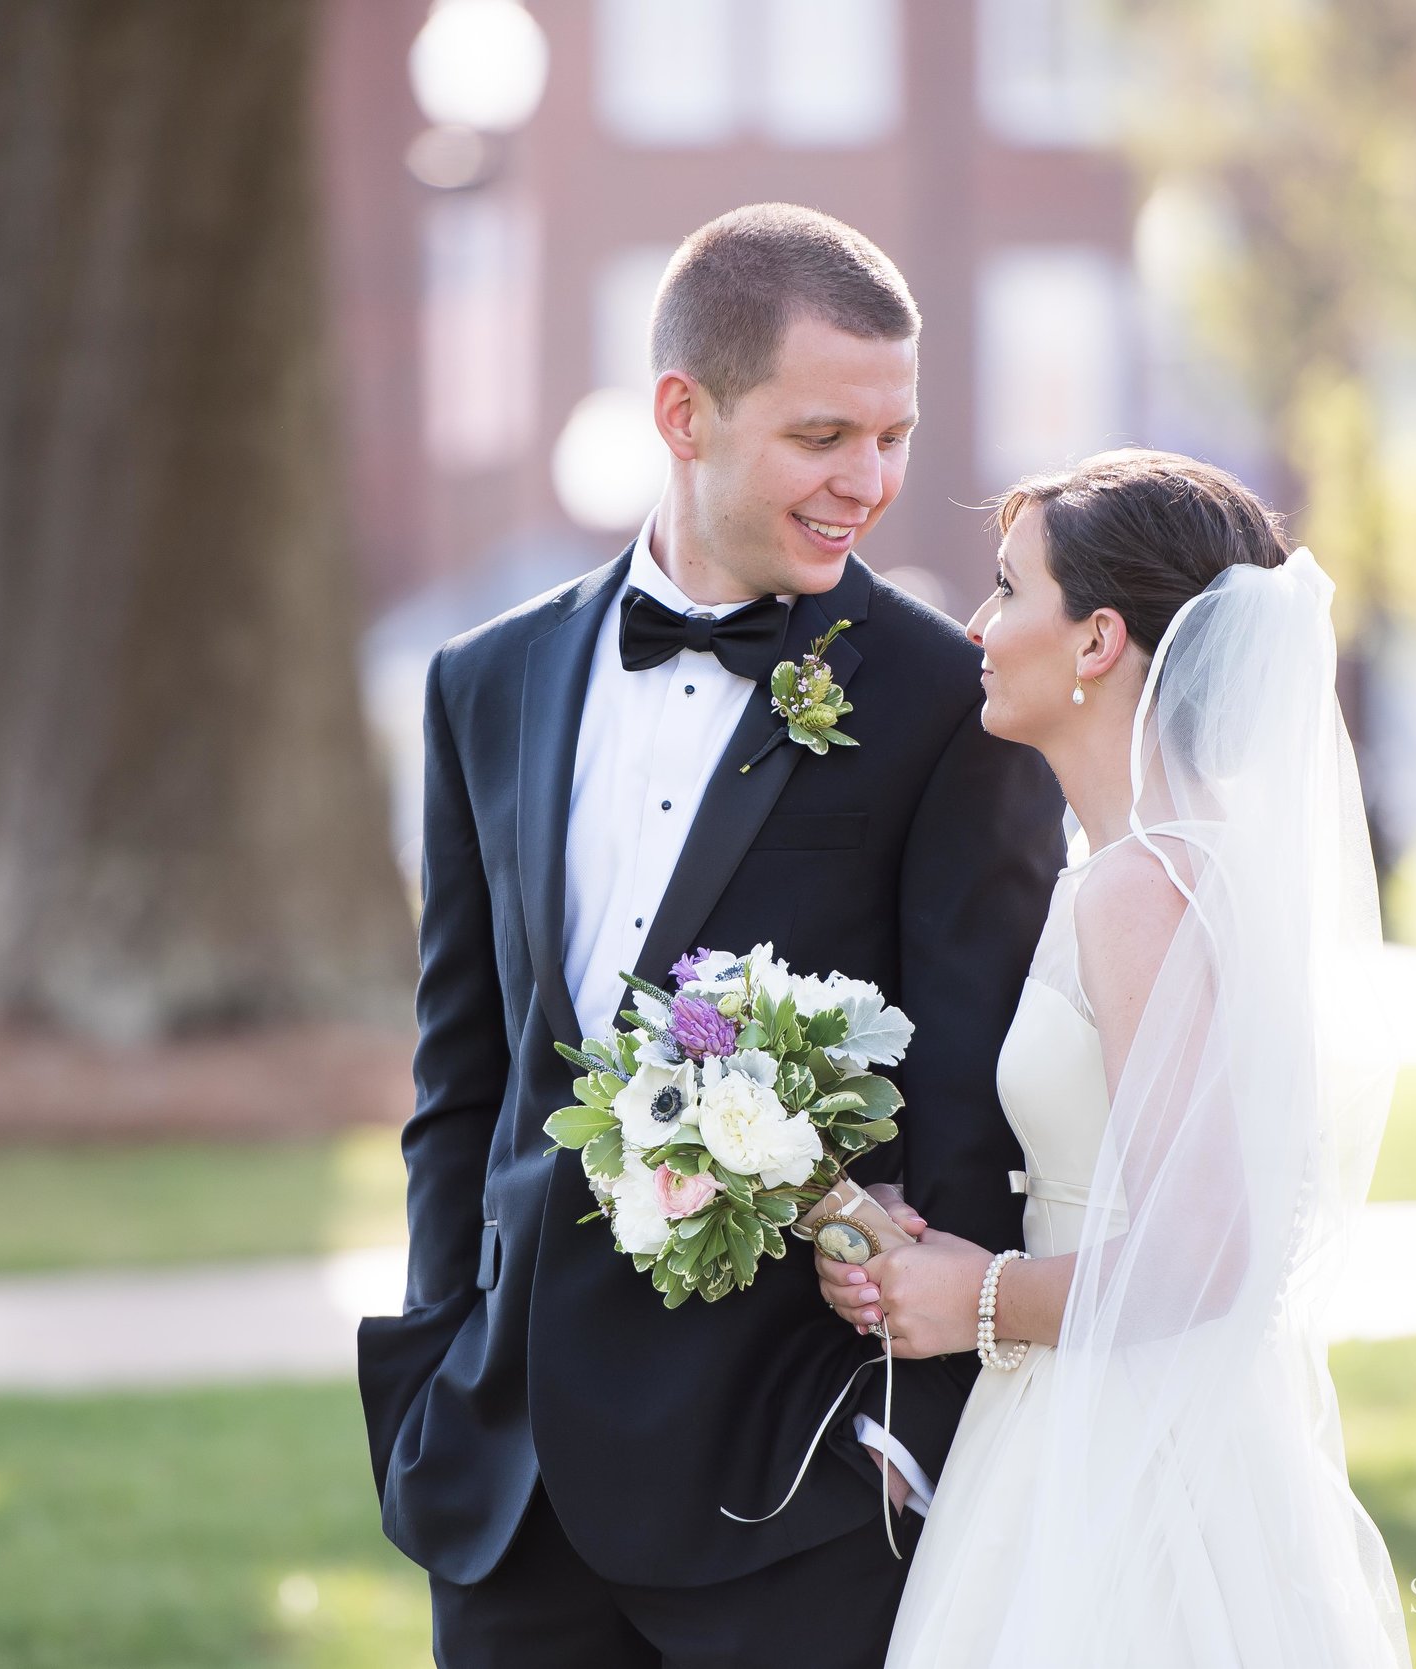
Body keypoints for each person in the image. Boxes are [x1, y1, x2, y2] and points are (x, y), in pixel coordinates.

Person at [356, 203, 1063, 1667]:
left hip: (793, 1488)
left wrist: (902, 1447)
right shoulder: (483, 682)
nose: (869, 482)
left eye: (894, 435)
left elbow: (969, 1113)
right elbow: (460, 1080)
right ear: (684, 412)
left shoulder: (947, 704)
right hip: (509, 1482)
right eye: (824, 438)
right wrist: (437, 1369)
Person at [823, 449, 1414, 1666]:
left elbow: (1205, 1254)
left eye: (1006, 588)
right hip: (1114, 1402)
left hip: (1130, 1447)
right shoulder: (1145, 866)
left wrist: (975, 1299)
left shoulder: (1142, 886)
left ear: (1096, 641)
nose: (978, 626)